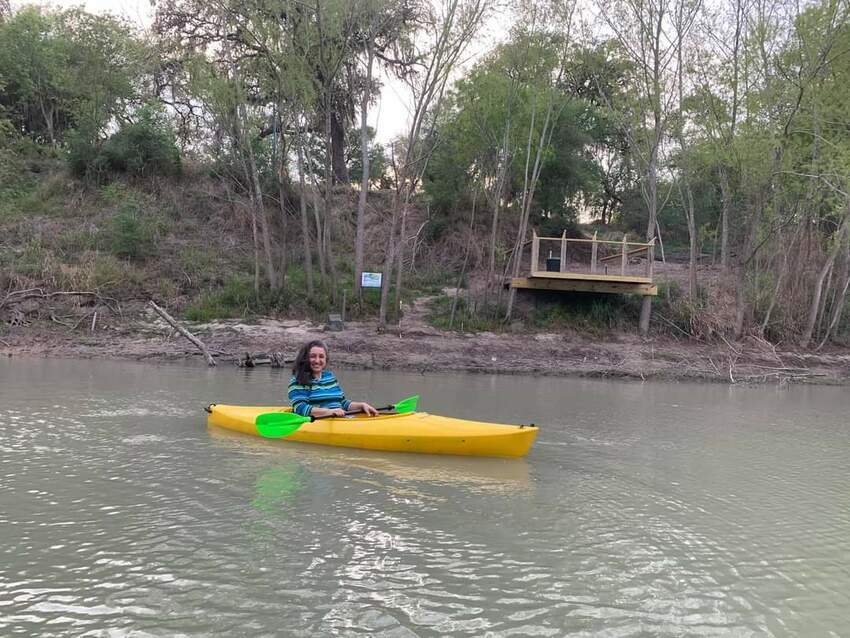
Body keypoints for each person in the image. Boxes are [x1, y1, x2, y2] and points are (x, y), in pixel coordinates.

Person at [288, 340, 378, 418]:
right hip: (319, 421)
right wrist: (329, 412)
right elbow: (300, 408)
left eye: (321, 356)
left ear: (326, 359)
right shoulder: (298, 380)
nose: (317, 360)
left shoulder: (329, 377)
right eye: (313, 356)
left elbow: (342, 403)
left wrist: (361, 405)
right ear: (305, 358)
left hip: (340, 418)